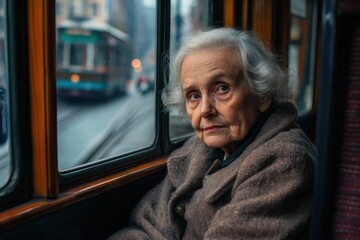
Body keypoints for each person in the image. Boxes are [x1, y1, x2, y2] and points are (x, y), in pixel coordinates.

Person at [108, 28, 316, 239]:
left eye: (222, 88)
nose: (205, 109)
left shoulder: (286, 160)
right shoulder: (195, 150)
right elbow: (144, 227)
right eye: (194, 95)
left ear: (262, 95)